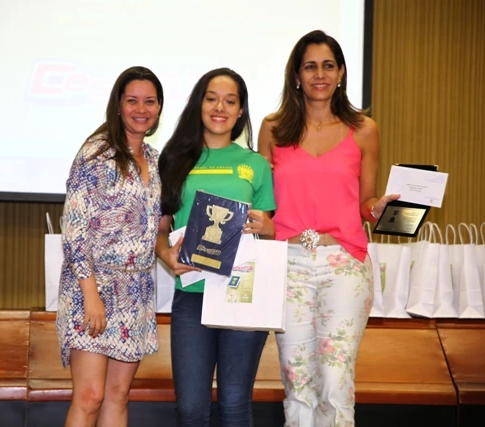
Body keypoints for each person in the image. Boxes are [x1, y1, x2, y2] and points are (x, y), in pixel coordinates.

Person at [257, 30, 399, 426]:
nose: (319, 74)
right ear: (296, 76)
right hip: (288, 262)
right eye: (310, 66)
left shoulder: (364, 129)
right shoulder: (273, 128)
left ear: (341, 73)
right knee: (297, 378)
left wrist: (378, 208)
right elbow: (261, 201)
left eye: (328, 66)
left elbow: (366, 202)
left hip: (344, 261)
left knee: (336, 380)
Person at [157, 67, 276, 427]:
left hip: (241, 293)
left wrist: (268, 227)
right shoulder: (174, 159)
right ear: (199, 104)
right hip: (192, 295)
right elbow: (160, 229)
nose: (220, 107)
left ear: (241, 111)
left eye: (230, 101)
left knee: (234, 405)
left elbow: (268, 231)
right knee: (191, 409)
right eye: (211, 99)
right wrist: (165, 254)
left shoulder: (256, 165)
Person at [56, 65, 164, 427]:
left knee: (118, 395)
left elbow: (157, 224)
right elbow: (74, 230)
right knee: (90, 396)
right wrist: (91, 295)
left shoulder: (156, 160)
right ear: (118, 105)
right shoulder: (95, 153)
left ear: (159, 108)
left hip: (135, 293)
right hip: (94, 287)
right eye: (132, 101)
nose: (141, 109)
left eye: (150, 101)